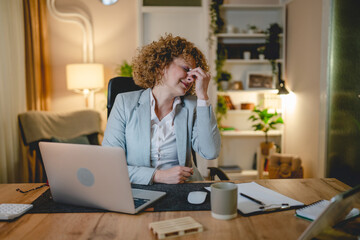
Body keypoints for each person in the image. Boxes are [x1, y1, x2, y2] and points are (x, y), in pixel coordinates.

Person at [102, 34, 220, 185]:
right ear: (161, 66)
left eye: (194, 74)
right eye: (186, 69)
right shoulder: (125, 103)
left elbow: (210, 152)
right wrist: (157, 176)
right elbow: (110, 166)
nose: (191, 78)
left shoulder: (193, 106)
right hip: (138, 189)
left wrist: (203, 96)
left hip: (183, 189)